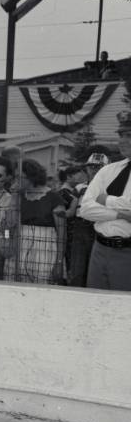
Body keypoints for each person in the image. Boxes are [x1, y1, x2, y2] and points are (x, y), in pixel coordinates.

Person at [77, 112, 131, 291]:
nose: (122, 140)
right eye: (120, 135)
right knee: (94, 304)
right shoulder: (107, 170)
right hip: (99, 249)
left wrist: (105, 199)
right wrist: (122, 213)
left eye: (129, 135)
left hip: (127, 252)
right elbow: (85, 209)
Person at [9, 159, 66, 284]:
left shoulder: (54, 198)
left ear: (31, 176)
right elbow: (10, 224)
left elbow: (62, 233)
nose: (16, 181)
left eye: (20, 177)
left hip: (45, 249)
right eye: (15, 177)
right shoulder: (19, 197)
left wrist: (59, 262)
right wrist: (14, 196)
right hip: (21, 247)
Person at [58, 166, 92, 286]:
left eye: (98, 167)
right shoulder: (77, 188)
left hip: (96, 227)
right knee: (76, 264)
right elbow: (71, 211)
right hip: (77, 228)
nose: (93, 170)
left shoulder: (107, 185)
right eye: (90, 167)